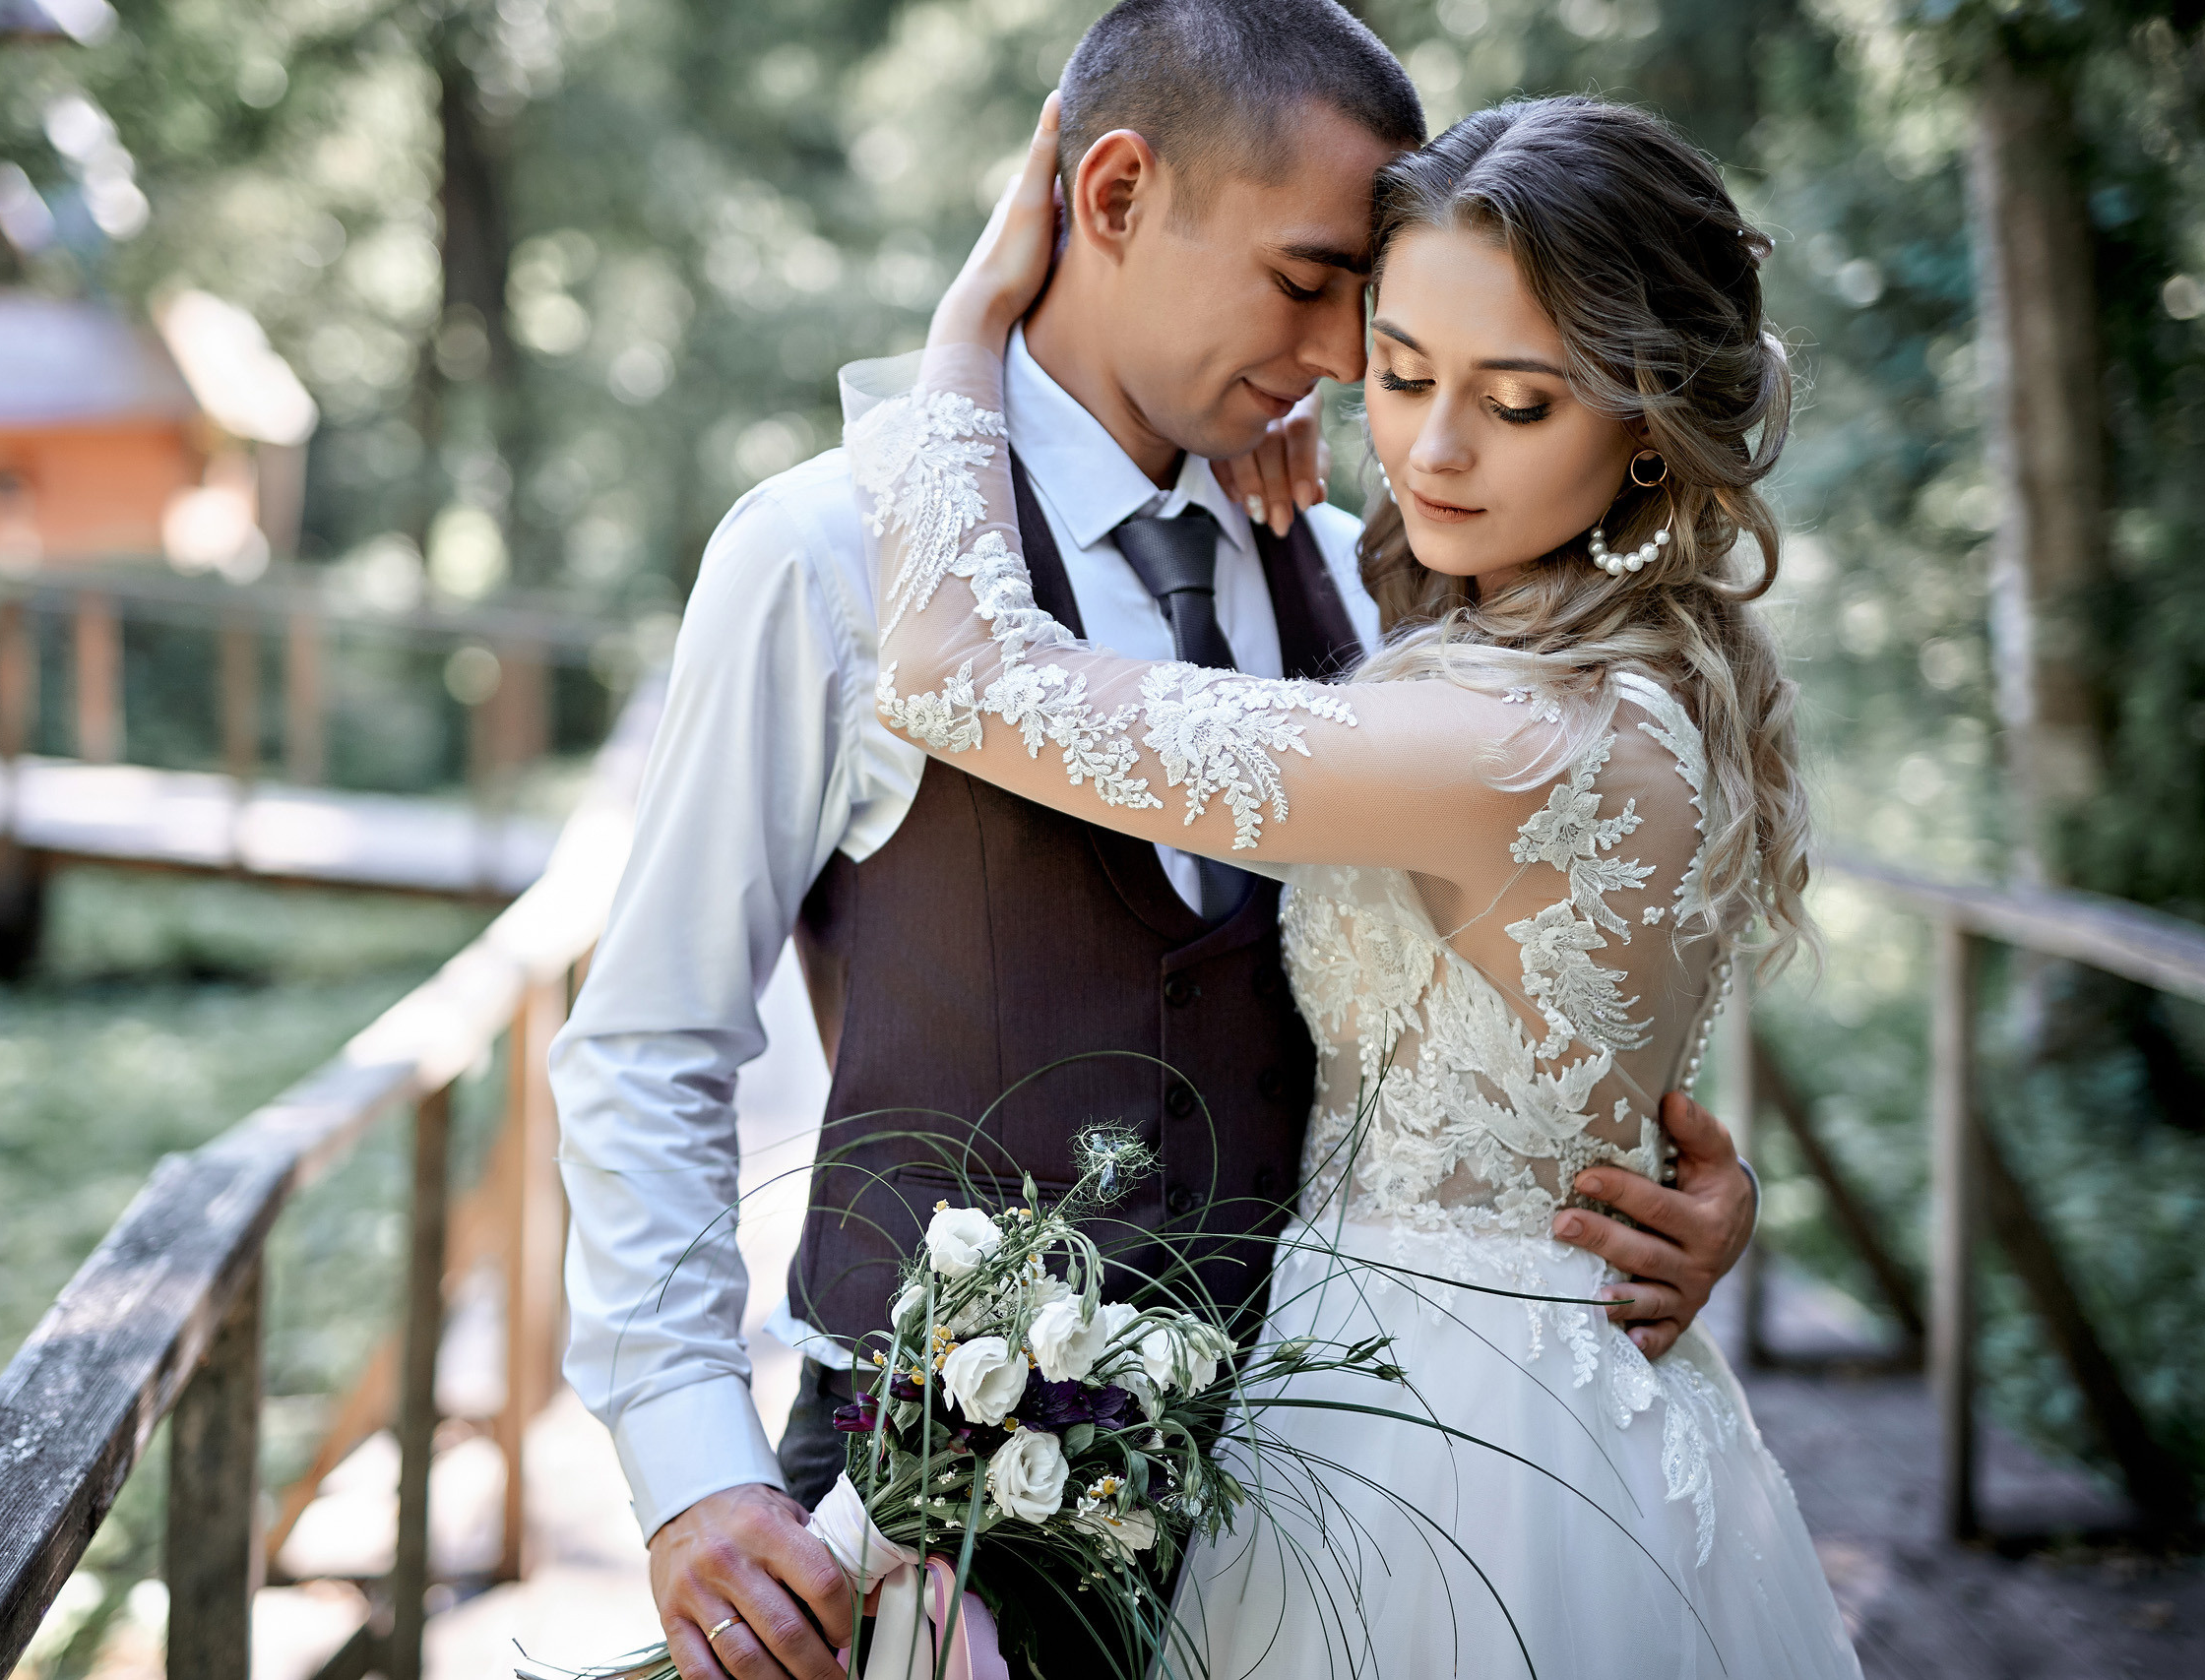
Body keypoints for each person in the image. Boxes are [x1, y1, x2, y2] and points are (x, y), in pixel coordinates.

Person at [552, 5, 1758, 1677]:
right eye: (1310, 282)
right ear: (1108, 194)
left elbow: (1545, 954)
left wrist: (1636, 1195)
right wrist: (689, 1469)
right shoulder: (825, 556)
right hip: (916, 1550)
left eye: (1375, 317)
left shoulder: (1362, 578)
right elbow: (649, 1042)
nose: (1350, 364)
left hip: (1338, 1529)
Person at [841, 78, 1861, 1679]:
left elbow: (959, 672)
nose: (1437, 449)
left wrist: (969, 335)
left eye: (1518, 405)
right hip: (1508, 1381)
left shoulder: (1518, 732)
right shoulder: (1605, 669)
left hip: (1452, 1450)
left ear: (1650, 426)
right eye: (1400, 370)